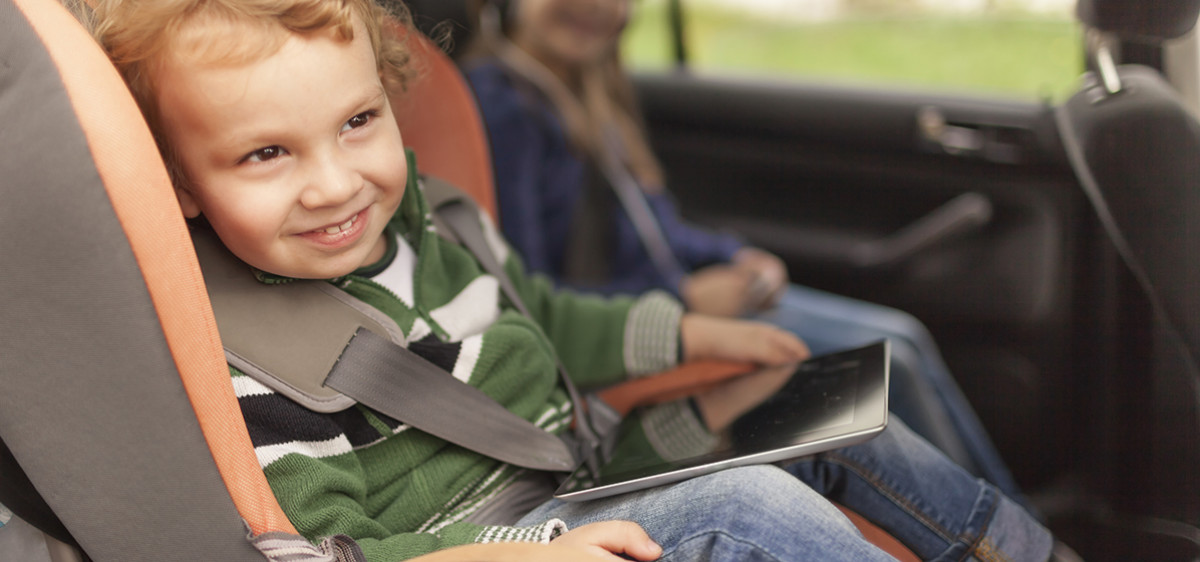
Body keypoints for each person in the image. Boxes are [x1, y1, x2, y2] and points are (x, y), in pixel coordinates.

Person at [86, 0, 1057, 560]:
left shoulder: (426, 219)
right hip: (501, 541)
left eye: (357, 123)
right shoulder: (241, 357)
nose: (337, 183)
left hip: (582, 467)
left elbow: (538, 312)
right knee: (755, 508)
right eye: (266, 155)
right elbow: (333, 551)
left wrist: (688, 336)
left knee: (844, 402)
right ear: (178, 182)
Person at [461, 0, 1019, 496]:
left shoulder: (591, 88)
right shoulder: (504, 106)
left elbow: (657, 226)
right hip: (638, 320)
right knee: (889, 351)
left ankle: (1002, 510)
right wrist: (680, 298)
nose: (598, 6)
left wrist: (732, 257)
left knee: (904, 335)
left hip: (683, 296)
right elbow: (528, 289)